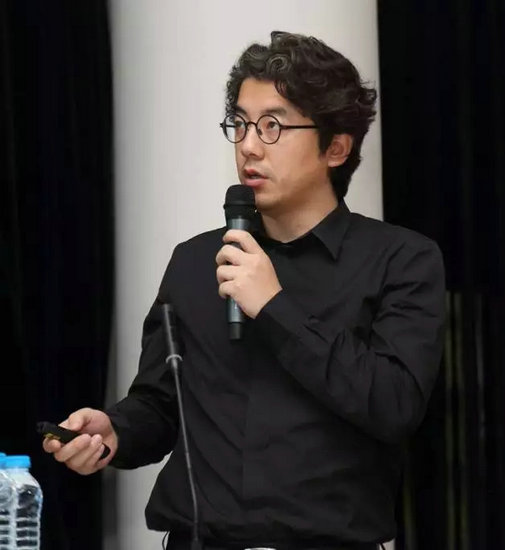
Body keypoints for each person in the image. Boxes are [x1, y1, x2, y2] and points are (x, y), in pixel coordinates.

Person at [43, 31, 446, 550]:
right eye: (240, 123)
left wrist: (275, 307)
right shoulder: (194, 261)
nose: (249, 145)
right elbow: (162, 405)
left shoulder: (401, 260)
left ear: (336, 147)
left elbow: (394, 405)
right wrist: (114, 431)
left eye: (273, 126)